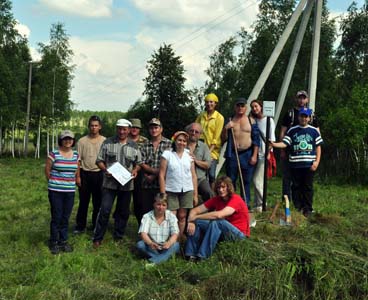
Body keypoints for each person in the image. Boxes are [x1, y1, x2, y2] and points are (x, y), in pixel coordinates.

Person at [92, 119, 142, 248]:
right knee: (105, 210)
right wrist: (105, 169)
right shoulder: (107, 142)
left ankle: (118, 235)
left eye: (124, 129)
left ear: (129, 130)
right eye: (119, 128)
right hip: (109, 184)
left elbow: (139, 163)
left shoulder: (134, 146)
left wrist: (136, 171)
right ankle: (98, 237)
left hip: (126, 184)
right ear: (116, 129)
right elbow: (99, 160)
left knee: (123, 211)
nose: (122, 131)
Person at [270, 107, 323, 217]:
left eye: (306, 117)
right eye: (301, 116)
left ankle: (307, 208)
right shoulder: (292, 130)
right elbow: (285, 143)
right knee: (296, 186)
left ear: (309, 118)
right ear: (298, 117)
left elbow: (318, 147)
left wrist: (316, 162)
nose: (303, 118)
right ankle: (298, 207)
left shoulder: (313, 131)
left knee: (307, 186)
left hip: (309, 164)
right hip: (295, 164)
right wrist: (274, 144)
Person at [185, 176, 249, 260]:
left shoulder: (236, 199)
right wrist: (192, 221)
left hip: (239, 235)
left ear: (229, 187)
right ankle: (190, 254)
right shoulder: (217, 199)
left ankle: (202, 256)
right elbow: (195, 210)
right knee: (198, 223)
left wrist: (195, 217)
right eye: (218, 187)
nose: (220, 190)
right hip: (224, 231)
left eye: (223, 187)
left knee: (217, 222)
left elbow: (219, 215)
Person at [279, 90, 319, 206]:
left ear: (307, 100)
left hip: (306, 155)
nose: (301, 100)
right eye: (299, 98)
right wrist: (282, 150)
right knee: (288, 178)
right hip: (291, 152)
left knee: (306, 182)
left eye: (304, 98)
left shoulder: (311, 114)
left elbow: (317, 133)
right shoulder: (290, 114)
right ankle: (287, 202)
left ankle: (305, 205)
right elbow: (283, 132)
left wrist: (316, 157)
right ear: (296, 99)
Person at [45, 130, 80, 254]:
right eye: (65, 138)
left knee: (66, 217)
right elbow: (47, 170)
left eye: (70, 138)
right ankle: (53, 241)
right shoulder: (53, 154)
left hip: (70, 191)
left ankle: (63, 241)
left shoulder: (76, 155)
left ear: (73, 140)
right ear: (61, 140)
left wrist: (77, 179)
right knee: (57, 216)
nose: (68, 141)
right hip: (56, 191)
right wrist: (54, 182)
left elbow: (77, 170)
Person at [221, 98, 260, 207]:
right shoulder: (229, 120)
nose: (240, 108)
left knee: (246, 181)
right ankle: (231, 203)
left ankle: (245, 203)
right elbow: (223, 139)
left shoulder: (250, 120)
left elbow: (256, 140)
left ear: (246, 107)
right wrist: (226, 128)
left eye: (242, 106)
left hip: (247, 154)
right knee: (231, 180)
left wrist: (254, 155)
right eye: (238, 105)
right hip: (233, 154)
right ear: (235, 107)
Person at [159, 131, 198, 237]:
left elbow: (193, 175)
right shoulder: (167, 154)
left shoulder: (189, 155)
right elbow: (162, 175)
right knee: (172, 216)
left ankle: (179, 239)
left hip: (187, 189)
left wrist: (195, 194)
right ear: (174, 141)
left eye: (184, 141)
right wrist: (163, 193)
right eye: (179, 140)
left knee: (182, 216)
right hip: (171, 189)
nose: (182, 143)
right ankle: (170, 238)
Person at [74, 116, 106, 234]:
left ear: (100, 127)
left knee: (98, 202)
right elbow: (77, 161)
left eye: (96, 125)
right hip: (85, 174)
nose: (94, 128)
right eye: (92, 125)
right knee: (83, 202)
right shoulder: (82, 141)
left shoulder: (104, 141)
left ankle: (95, 226)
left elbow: (107, 159)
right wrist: (77, 176)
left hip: (99, 174)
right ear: (89, 126)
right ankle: (80, 226)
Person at [139, 118, 172, 225]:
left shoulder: (169, 144)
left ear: (161, 129)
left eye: (156, 127)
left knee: (161, 209)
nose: (154, 130)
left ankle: (161, 232)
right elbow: (141, 162)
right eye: (152, 128)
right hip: (147, 183)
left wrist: (154, 175)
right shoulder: (144, 145)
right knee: (146, 210)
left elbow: (170, 163)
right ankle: (145, 233)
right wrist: (152, 173)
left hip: (162, 184)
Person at [136, 193, 180, 265]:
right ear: (154, 204)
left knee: (176, 245)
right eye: (158, 204)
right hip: (152, 246)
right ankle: (163, 259)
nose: (161, 207)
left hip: (166, 246)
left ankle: (153, 262)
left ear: (167, 206)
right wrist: (150, 243)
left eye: (163, 205)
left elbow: (175, 233)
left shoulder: (171, 216)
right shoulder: (147, 216)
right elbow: (143, 233)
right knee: (140, 245)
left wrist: (169, 243)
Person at [250, 100, 276, 212]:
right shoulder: (254, 121)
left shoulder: (269, 120)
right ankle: (257, 205)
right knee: (257, 179)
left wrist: (269, 153)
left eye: (256, 106)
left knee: (257, 180)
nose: (254, 109)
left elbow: (272, 140)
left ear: (261, 106)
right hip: (255, 153)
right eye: (252, 107)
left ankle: (262, 203)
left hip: (265, 154)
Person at [195, 93, 224, 185]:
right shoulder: (201, 116)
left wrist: (208, 152)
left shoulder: (219, 117)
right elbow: (195, 129)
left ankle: (213, 194)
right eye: (207, 102)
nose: (209, 104)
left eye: (211, 102)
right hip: (200, 148)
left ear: (215, 103)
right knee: (199, 174)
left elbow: (216, 137)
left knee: (211, 174)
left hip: (212, 151)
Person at [186, 122, 213, 203]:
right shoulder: (182, 144)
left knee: (208, 192)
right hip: (186, 179)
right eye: (191, 131)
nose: (193, 133)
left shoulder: (204, 147)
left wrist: (196, 161)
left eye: (196, 132)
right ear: (188, 132)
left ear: (200, 134)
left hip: (200, 179)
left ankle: (210, 212)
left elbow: (208, 165)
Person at [128, 118, 148, 226]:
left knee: (139, 201)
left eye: (136, 127)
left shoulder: (145, 141)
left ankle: (141, 225)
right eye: (132, 127)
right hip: (124, 172)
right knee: (123, 201)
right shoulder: (124, 139)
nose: (134, 129)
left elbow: (146, 158)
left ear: (139, 129)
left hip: (139, 173)